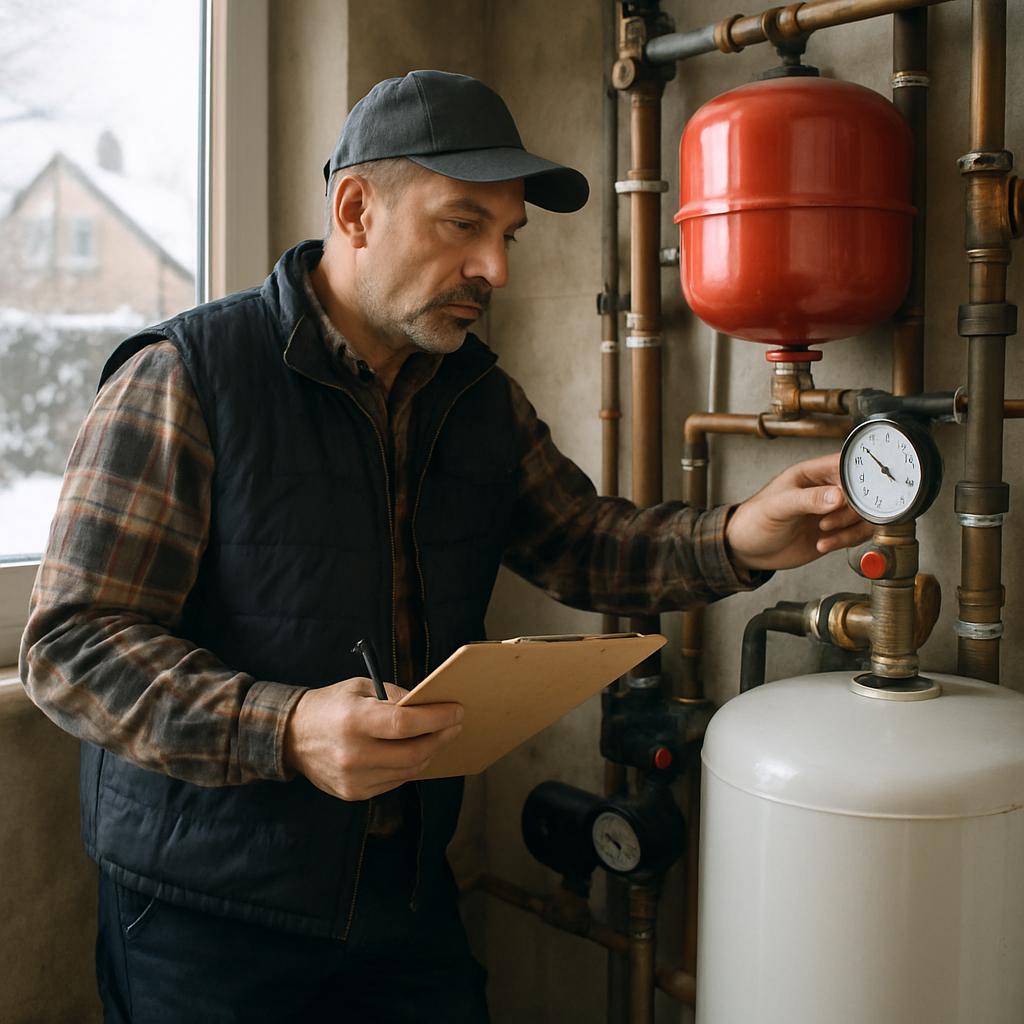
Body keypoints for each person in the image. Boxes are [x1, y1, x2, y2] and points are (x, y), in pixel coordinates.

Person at [20, 71, 869, 1023]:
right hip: (205, 919)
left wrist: (740, 535)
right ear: (355, 211)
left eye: (506, 235)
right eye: (462, 224)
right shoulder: (187, 375)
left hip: (404, 900)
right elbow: (72, 647)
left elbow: (580, 543)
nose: (496, 270)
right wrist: (287, 728)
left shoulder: (474, 396)